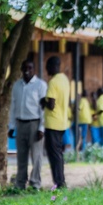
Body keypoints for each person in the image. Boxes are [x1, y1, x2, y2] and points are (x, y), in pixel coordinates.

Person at [8, 59, 47, 190]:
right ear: (21, 69)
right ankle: (20, 184)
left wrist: (41, 128)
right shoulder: (17, 86)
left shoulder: (40, 85)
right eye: (24, 68)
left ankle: (35, 183)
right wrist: (12, 126)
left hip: (34, 124)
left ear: (34, 70)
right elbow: (13, 106)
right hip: (20, 124)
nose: (27, 70)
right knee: (21, 156)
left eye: (30, 68)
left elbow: (43, 109)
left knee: (36, 156)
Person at [43, 56, 70, 189]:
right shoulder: (64, 79)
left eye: (47, 66)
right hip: (62, 122)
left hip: (52, 123)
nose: (46, 69)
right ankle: (60, 181)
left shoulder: (53, 82)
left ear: (53, 66)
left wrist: (43, 101)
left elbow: (51, 104)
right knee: (58, 153)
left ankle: (60, 182)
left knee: (54, 155)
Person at [77, 88, 93, 153]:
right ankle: (83, 149)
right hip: (83, 121)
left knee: (84, 135)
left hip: (85, 121)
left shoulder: (85, 101)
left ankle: (83, 148)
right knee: (83, 135)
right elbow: (79, 109)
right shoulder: (83, 101)